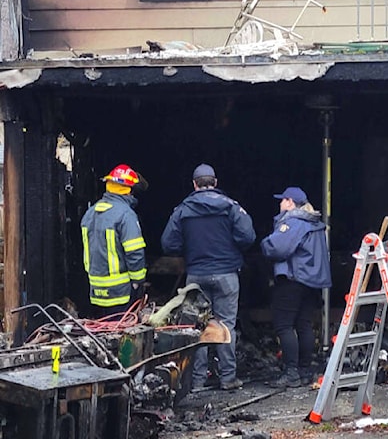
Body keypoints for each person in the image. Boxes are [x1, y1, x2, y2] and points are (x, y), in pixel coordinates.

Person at [161, 163, 256, 392]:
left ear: (194, 184)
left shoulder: (182, 210)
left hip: (196, 276)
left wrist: (189, 248)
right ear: (215, 182)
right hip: (226, 274)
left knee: (197, 327)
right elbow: (248, 237)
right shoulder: (231, 207)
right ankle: (228, 378)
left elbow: (168, 244)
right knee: (226, 326)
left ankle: (197, 380)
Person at [261, 186, 331, 389]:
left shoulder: (294, 222)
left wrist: (264, 243)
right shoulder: (315, 224)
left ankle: (291, 372)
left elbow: (277, 247)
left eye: (282, 201)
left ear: (290, 202)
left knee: (284, 325)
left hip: (293, 279)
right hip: (311, 282)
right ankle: (305, 370)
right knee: (304, 324)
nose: (280, 204)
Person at [80, 164, 149, 318]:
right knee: (123, 337)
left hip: (96, 291)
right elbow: (134, 252)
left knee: (102, 335)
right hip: (120, 293)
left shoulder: (90, 213)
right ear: (130, 189)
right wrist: (138, 281)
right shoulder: (125, 215)